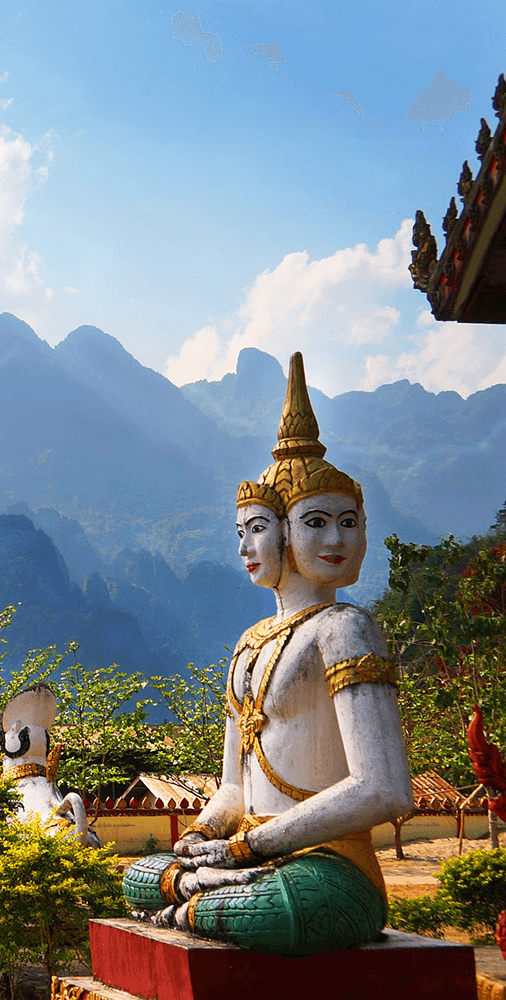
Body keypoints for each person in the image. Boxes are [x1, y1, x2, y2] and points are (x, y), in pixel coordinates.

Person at [123, 352, 413, 957]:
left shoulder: (346, 629)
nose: (335, 540)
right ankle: (203, 892)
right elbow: (236, 788)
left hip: (329, 868)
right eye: (317, 523)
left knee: (280, 909)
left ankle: (205, 897)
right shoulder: (248, 644)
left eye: (347, 522)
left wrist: (248, 850)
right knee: (137, 874)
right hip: (247, 858)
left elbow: (384, 788)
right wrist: (204, 836)